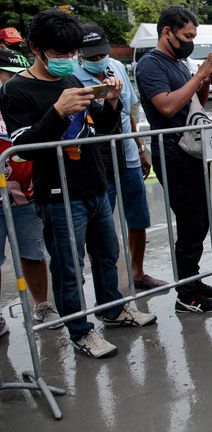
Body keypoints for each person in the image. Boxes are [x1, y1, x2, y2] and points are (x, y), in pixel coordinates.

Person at [0, 11, 156, 358]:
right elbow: (24, 150)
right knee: (69, 266)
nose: (68, 60)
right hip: (58, 193)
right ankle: (80, 330)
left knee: (106, 254)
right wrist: (56, 111)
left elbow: (99, 126)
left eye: (72, 53)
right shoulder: (16, 90)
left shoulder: (71, 80)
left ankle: (113, 311)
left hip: (95, 183)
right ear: (36, 49)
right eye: (60, 53)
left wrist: (112, 101)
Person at [135, 5, 212, 313]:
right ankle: (185, 294)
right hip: (173, 152)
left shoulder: (178, 62)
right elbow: (166, 107)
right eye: (187, 35)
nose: (191, 40)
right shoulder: (151, 65)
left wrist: (205, 79)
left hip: (191, 150)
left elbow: (195, 103)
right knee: (190, 222)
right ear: (167, 32)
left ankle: (192, 280)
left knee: (199, 221)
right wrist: (198, 74)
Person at [74, 23, 167, 292]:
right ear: (79, 54)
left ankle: (138, 273)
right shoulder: (73, 78)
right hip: (97, 163)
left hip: (128, 157)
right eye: (90, 56)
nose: (97, 60)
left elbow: (130, 112)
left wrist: (139, 148)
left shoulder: (116, 67)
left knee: (138, 219)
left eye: (100, 54)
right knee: (101, 229)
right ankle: (110, 284)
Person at [0, 47, 62, 337]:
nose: (10, 81)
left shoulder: (17, 99)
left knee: (34, 252)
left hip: (25, 192)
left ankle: (42, 305)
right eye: (5, 75)